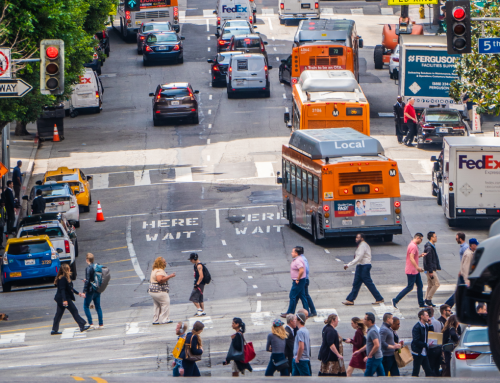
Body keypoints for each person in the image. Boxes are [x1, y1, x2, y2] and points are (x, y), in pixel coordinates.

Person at [343, 233, 384, 305]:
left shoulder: (363, 245)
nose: (356, 239)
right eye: (356, 237)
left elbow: (359, 257)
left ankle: (379, 298)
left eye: (358, 238)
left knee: (368, 283)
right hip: (360, 266)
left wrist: (348, 265)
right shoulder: (361, 245)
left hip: (364, 266)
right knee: (356, 283)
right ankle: (350, 300)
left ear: (362, 238)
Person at [51, 263, 90, 335]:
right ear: (66, 270)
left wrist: (79, 293)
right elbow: (62, 290)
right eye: (69, 268)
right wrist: (65, 300)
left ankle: (54, 330)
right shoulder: (62, 278)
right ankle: (82, 325)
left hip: (61, 299)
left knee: (58, 314)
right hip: (64, 299)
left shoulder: (65, 278)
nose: (70, 269)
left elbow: (70, 288)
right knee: (74, 311)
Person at [392, 233, 427, 309]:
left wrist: (420, 255)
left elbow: (413, 256)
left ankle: (421, 303)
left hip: (414, 270)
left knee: (420, 285)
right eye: (421, 239)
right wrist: (417, 267)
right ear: (418, 238)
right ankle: (395, 300)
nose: (421, 241)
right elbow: (411, 258)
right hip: (412, 270)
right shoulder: (413, 246)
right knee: (410, 287)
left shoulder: (412, 245)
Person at [281, 247, 309, 318]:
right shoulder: (298, 259)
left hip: (299, 281)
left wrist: (297, 279)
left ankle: (290, 313)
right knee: (302, 296)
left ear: (296, 253)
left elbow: (301, 270)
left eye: (292, 252)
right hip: (301, 280)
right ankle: (307, 312)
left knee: (292, 296)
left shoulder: (298, 260)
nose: (291, 253)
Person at [149, 256, 176, 325]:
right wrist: (170, 276)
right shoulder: (159, 271)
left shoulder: (154, 270)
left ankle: (155, 320)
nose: (165, 263)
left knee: (157, 305)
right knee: (165, 303)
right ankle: (165, 319)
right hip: (159, 290)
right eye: (164, 262)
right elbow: (160, 280)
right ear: (161, 263)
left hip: (153, 291)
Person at [445, 233, 468, 307]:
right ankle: (449, 305)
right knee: (461, 290)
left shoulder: (465, 247)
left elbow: (466, 260)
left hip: (464, 273)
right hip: (462, 272)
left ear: (460, 239)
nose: (456, 240)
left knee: (459, 291)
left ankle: (447, 305)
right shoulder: (463, 247)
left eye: (456, 238)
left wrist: (462, 271)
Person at [359, 312, 385, 377]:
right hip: (378, 357)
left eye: (365, 319)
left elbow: (376, 345)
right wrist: (359, 351)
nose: (363, 320)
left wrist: (369, 355)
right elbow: (369, 344)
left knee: (368, 376)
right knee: (381, 376)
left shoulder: (372, 331)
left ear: (369, 321)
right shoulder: (372, 329)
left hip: (374, 357)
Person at [83, 253, 104, 329]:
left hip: (91, 290)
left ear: (87, 260)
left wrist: (84, 291)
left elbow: (88, 280)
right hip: (97, 289)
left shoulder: (88, 268)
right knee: (98, 307)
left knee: (85, 306)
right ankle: (101, 324)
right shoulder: (96, 266)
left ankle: (91, 323)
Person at [411, 309, 434, 377]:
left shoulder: (426, 326)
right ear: (422, 316)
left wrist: (430, 325)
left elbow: (431, 334)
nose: (428, 317)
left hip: (424, 352)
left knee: (428, 371)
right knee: (416, 371)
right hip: (418, 352)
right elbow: (416, 341)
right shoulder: (417, 327)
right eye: (427, 315)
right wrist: (426, 345)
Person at [423, 231, 441, 307]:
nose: (436, 237)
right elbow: (429, 260)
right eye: (435, 236)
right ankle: (428, 299)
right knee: (437, 284)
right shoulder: (429, 248)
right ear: (431, 237)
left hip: (429, 269)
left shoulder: (430, 246)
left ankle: (426, 298)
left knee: (430, 285)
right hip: (431, 269)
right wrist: (430, 271)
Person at [299, 247, 317, 317]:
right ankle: (312, 311)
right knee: (305, 295)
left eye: (293, 252)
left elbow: (305, 270)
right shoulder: (302, 258)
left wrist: (300, 277)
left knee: (304, 296)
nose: (292, 253)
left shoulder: (302, 259)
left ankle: (308, 312)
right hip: (304, 279)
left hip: (304, 279)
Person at [292, 312, 311, 376]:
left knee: (305, 378)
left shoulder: (300, 332)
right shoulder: (305, 330)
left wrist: (297, 358)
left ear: (299, 320)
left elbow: (301, 347)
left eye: (295, 319)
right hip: (301, 358)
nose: (294, 321)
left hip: (301, 359)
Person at [426, 307, 443, 376]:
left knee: (430, 367)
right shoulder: (439, 323)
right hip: (438, 347)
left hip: (431, 347)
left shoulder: (427, 323)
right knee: (436, 367)